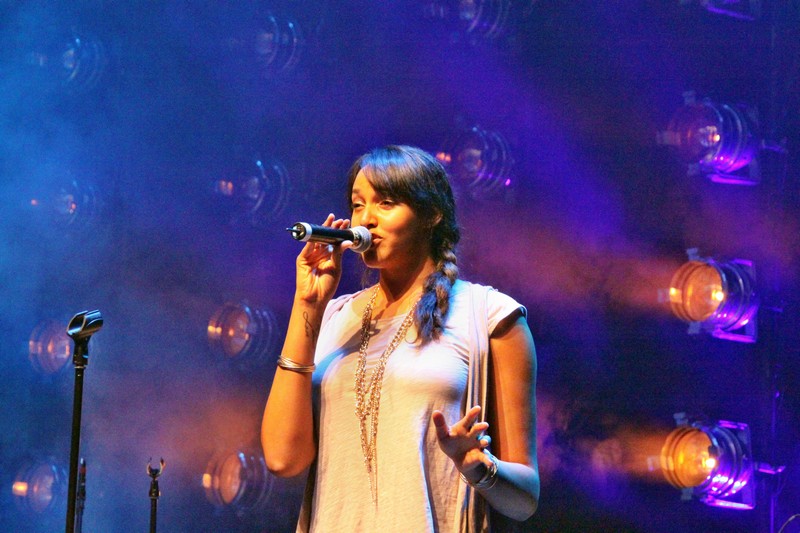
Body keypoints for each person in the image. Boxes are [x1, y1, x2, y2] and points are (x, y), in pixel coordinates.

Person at [262, 145, 539, 532]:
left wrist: (480, 468)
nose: (366, 219)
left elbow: (525, 500)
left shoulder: (490, 316)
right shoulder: (333, 317)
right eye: (358, 205)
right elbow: (282, 459)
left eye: (386, 203)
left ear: (432, 214)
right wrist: (307, 304)